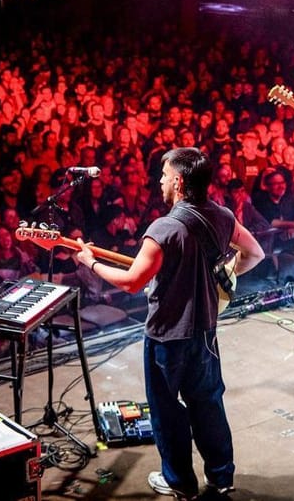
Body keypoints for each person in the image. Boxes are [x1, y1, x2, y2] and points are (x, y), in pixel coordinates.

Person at [73, 147, 264, 500]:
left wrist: (90, 263)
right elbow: (255, 253)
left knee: (167, 412)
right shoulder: (222, 216)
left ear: (178, 182)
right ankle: (222, 478)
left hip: (167, 336)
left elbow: (131, 282)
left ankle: (179, 483)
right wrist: (222, 278)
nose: (159, 182)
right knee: (208, 404)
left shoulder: (164, 228)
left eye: (163, 176)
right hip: (206, 331)